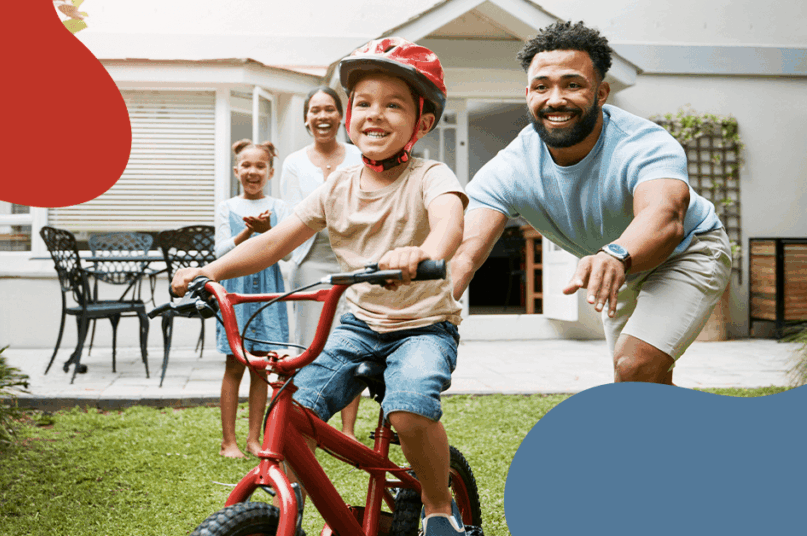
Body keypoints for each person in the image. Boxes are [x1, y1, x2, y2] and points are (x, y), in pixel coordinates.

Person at [174, 37, 478, 536]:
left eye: (393, 105)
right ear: (347, 116)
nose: (374, 114)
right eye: (363, 103)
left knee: (409, 408)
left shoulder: (430, 175)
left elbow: (450, 221)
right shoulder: (337, 183)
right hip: (359, 324)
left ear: (421, 124)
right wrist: (211, 271)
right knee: (295, 409)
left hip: (422, 326)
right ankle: (292, 507)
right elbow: (273, 242)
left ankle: (440, 506)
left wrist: (425, 254)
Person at [449, 21, 731, 385]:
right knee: (643, 380)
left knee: (633, 368)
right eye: (541, 87)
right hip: (619, 267)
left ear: (601, 93)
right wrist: (431, 311)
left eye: (573, 85)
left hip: (687, 251)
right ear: (528, 94)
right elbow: (464, 253)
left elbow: (665, 217)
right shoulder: (513, 165)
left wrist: (614, 255)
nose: (555, 99)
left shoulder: (643, 144)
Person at [280, 86, 363, 440]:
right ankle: (309, 422)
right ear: (306, 119)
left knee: (353, 340)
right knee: (310, 344)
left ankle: (347, 430)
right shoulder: (294, 163)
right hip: (310, 261)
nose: (322, 116)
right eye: (315, 110)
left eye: (329, 109)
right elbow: (292, 215)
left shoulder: (360, 156)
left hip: (353, 261)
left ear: (341, 116)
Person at [214, 139, 290, 458]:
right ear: (236, 171)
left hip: (267, 296)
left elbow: (287, 253)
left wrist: (270, 229)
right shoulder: (227, 208)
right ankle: (228, 441)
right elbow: (218, 253)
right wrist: (247, 233)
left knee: (261, 368)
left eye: (260, 165)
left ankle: (253, 439)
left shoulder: (280, 208)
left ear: (270, 171)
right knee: (235, 365)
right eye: (246, 165)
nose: (252, 171)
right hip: (238, 295)